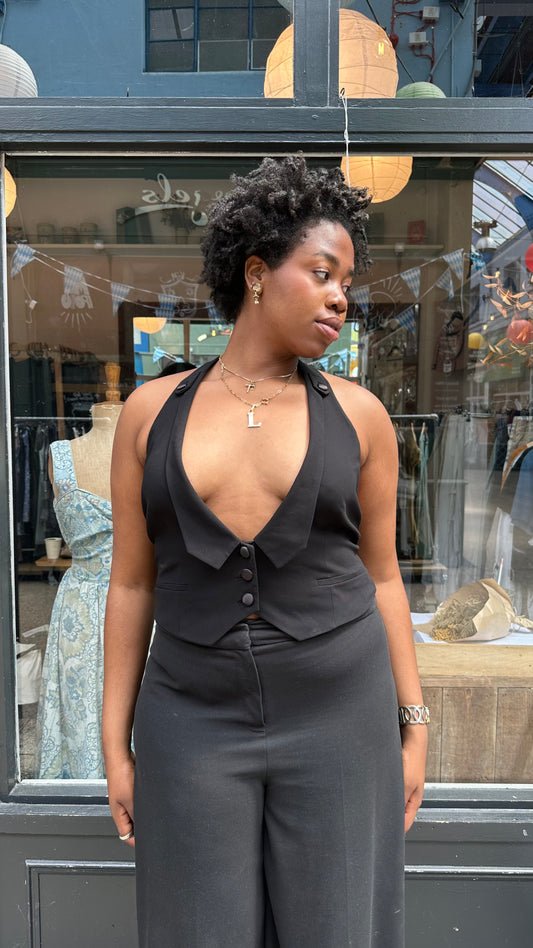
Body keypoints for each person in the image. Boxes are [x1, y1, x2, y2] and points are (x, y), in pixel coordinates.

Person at [102, 155, 428, 947]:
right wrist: (114, 745)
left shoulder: (361, 416)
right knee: (195, 929)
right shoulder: (150, 413)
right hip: (190, 716)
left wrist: (413, 722)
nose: (339, 297)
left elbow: (382, 577)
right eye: (321, 273)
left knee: (337, 928)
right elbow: (132, 585)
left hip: (339, 715)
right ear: (255, 273)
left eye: (345, 282)